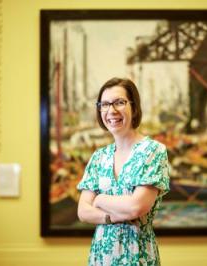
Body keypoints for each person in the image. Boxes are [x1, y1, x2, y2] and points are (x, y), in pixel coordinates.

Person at [77, 77, 170, 265]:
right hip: (101, 256)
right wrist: (111, 216)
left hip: (139, 255)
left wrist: (100, 199)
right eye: (104, 104)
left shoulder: (153, 151)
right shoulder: (98, 157)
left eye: (119, 102)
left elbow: (137, 207)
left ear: (134, 108)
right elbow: (83, 211)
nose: (111, 110)